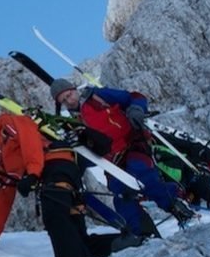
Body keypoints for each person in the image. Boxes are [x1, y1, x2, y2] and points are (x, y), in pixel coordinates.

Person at [0, 101, 137, 257]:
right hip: (58, 172)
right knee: (74, 233)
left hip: (55, 164)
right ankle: (123, 242)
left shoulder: (9, 121)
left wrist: (32, 173)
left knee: (54, 214)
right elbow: (5, 195)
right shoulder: (2, 155)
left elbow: (29, 139)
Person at [50, 79, 195, 235]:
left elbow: (134, 96)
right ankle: (145, 234)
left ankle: (177, 206)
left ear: (74, 89)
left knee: (140, 172)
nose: (69, 101)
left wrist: (136, 109)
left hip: (133, 142)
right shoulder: (73, 124)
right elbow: (89, 156)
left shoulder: (97, 96)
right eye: (64, 100)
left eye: (69, 94)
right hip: (113, 162)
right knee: (121, 195)